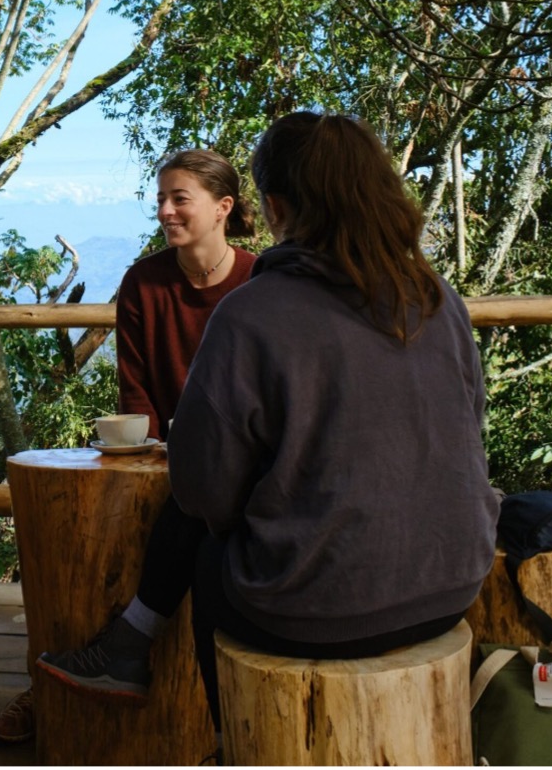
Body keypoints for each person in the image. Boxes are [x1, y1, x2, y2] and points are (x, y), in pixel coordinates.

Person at [35, 111, 499, 730]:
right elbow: (470, 431)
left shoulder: (254, 312)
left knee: (211, 557)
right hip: (452, 585)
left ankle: (231, 739)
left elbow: (202, 493)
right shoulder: (439, 300)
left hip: (321, 608)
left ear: (274, 206)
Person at [0, 149, 257, 743]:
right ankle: (72, 674)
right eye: (160, 198)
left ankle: (116, 655)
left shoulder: (259, 282)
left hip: (235, 464)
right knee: (105, 532)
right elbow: (134, 388)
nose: (164, 210)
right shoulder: (144, 280)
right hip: (163, 455)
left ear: (223, 207)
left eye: (179, 198)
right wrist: (153, 446)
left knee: (197, 508)